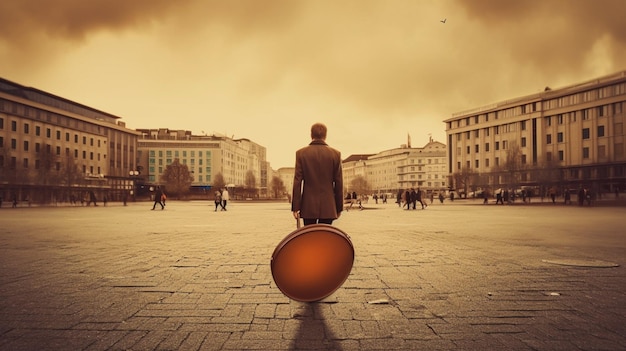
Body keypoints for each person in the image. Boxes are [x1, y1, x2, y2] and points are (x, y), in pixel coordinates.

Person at [292, 123, 344, 226]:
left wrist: (296, 207)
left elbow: (297, 182)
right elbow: (339, 183)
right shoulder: (336, 154)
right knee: (325, 237)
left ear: (311, 135)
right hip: (329, 206)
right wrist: (339, 208)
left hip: (308, 206)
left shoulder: (301, 153)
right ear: (325, 135)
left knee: (310, 237)